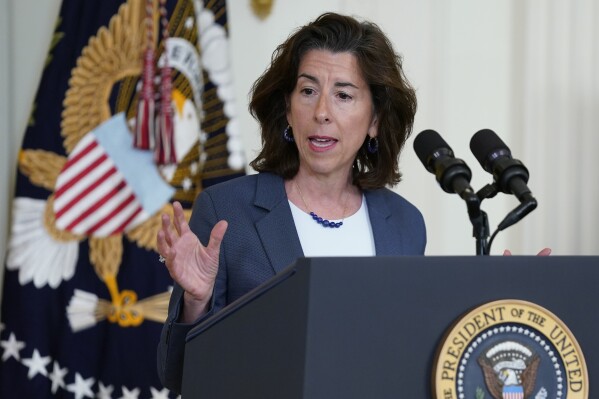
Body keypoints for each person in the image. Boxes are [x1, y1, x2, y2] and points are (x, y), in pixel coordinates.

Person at [156, 12, 426, 393]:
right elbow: (178, 376)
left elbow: (410, 355)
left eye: (344, 95)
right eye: (308, 91)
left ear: (375, 120)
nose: (322, 113)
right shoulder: (227, 212)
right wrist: (196, 303)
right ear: (287, 108)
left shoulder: (403, 224)